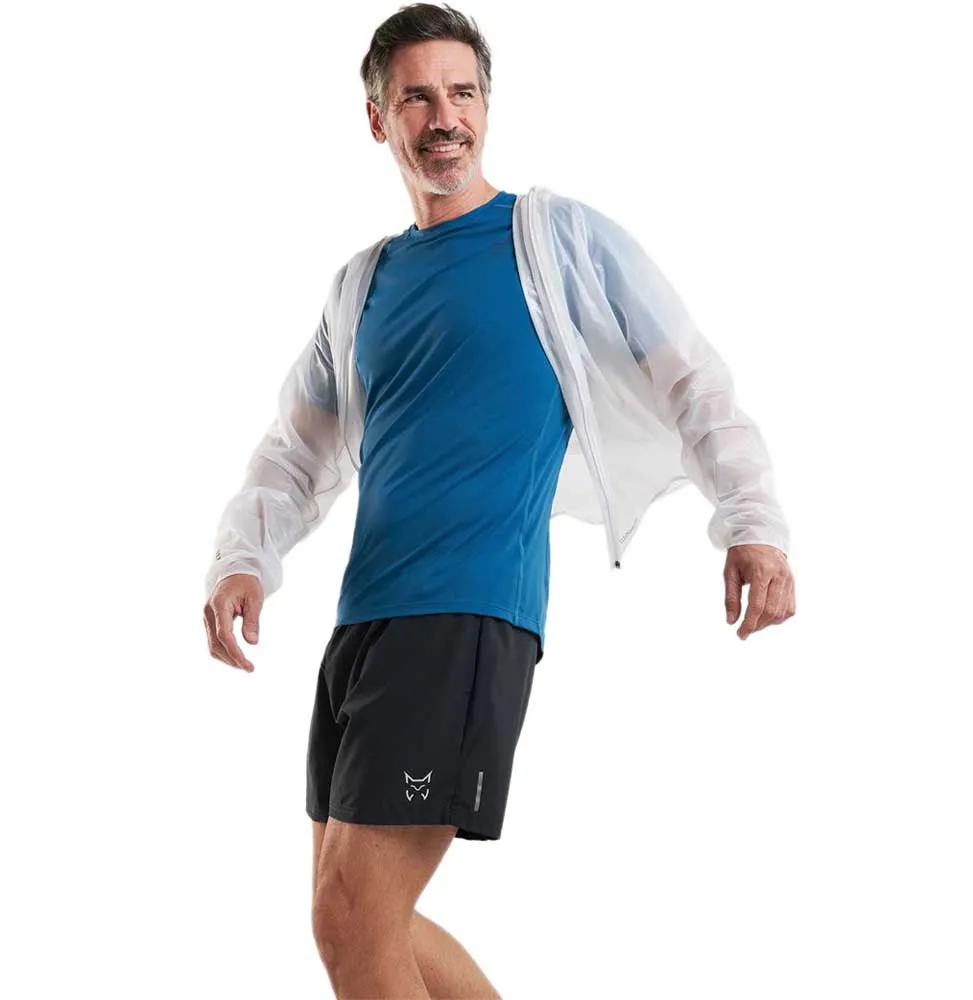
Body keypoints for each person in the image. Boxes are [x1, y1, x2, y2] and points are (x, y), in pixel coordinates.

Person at [202, 3, 796, 996]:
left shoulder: (554, 240)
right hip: (365, 622)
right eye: (418, 98)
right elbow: (296, 448)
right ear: (377, 118)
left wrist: (754, 525)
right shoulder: (362, 284)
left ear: (486, 105)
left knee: (355, 913)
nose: (446, 118)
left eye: (464, 93)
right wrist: (242, 559)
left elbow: (692, 379)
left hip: (467, 612)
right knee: (355, 917)